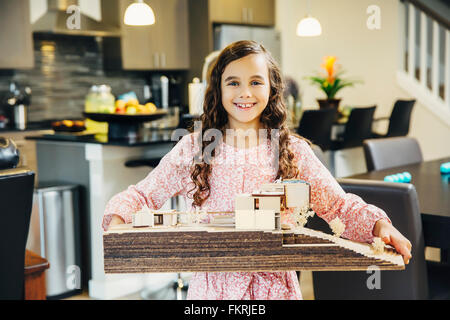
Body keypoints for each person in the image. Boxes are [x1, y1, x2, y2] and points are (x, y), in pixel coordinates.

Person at [102, 40, 412, 300]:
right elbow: (143, 195)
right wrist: (119, 218)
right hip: (212, 293)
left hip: (275, 290)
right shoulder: (193, 149)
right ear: (218, 90)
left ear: (272, 87)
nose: (244, 93)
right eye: (233, 82)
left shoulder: (291, 151)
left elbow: (338, 206)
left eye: (255, 81)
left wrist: (378, 226)